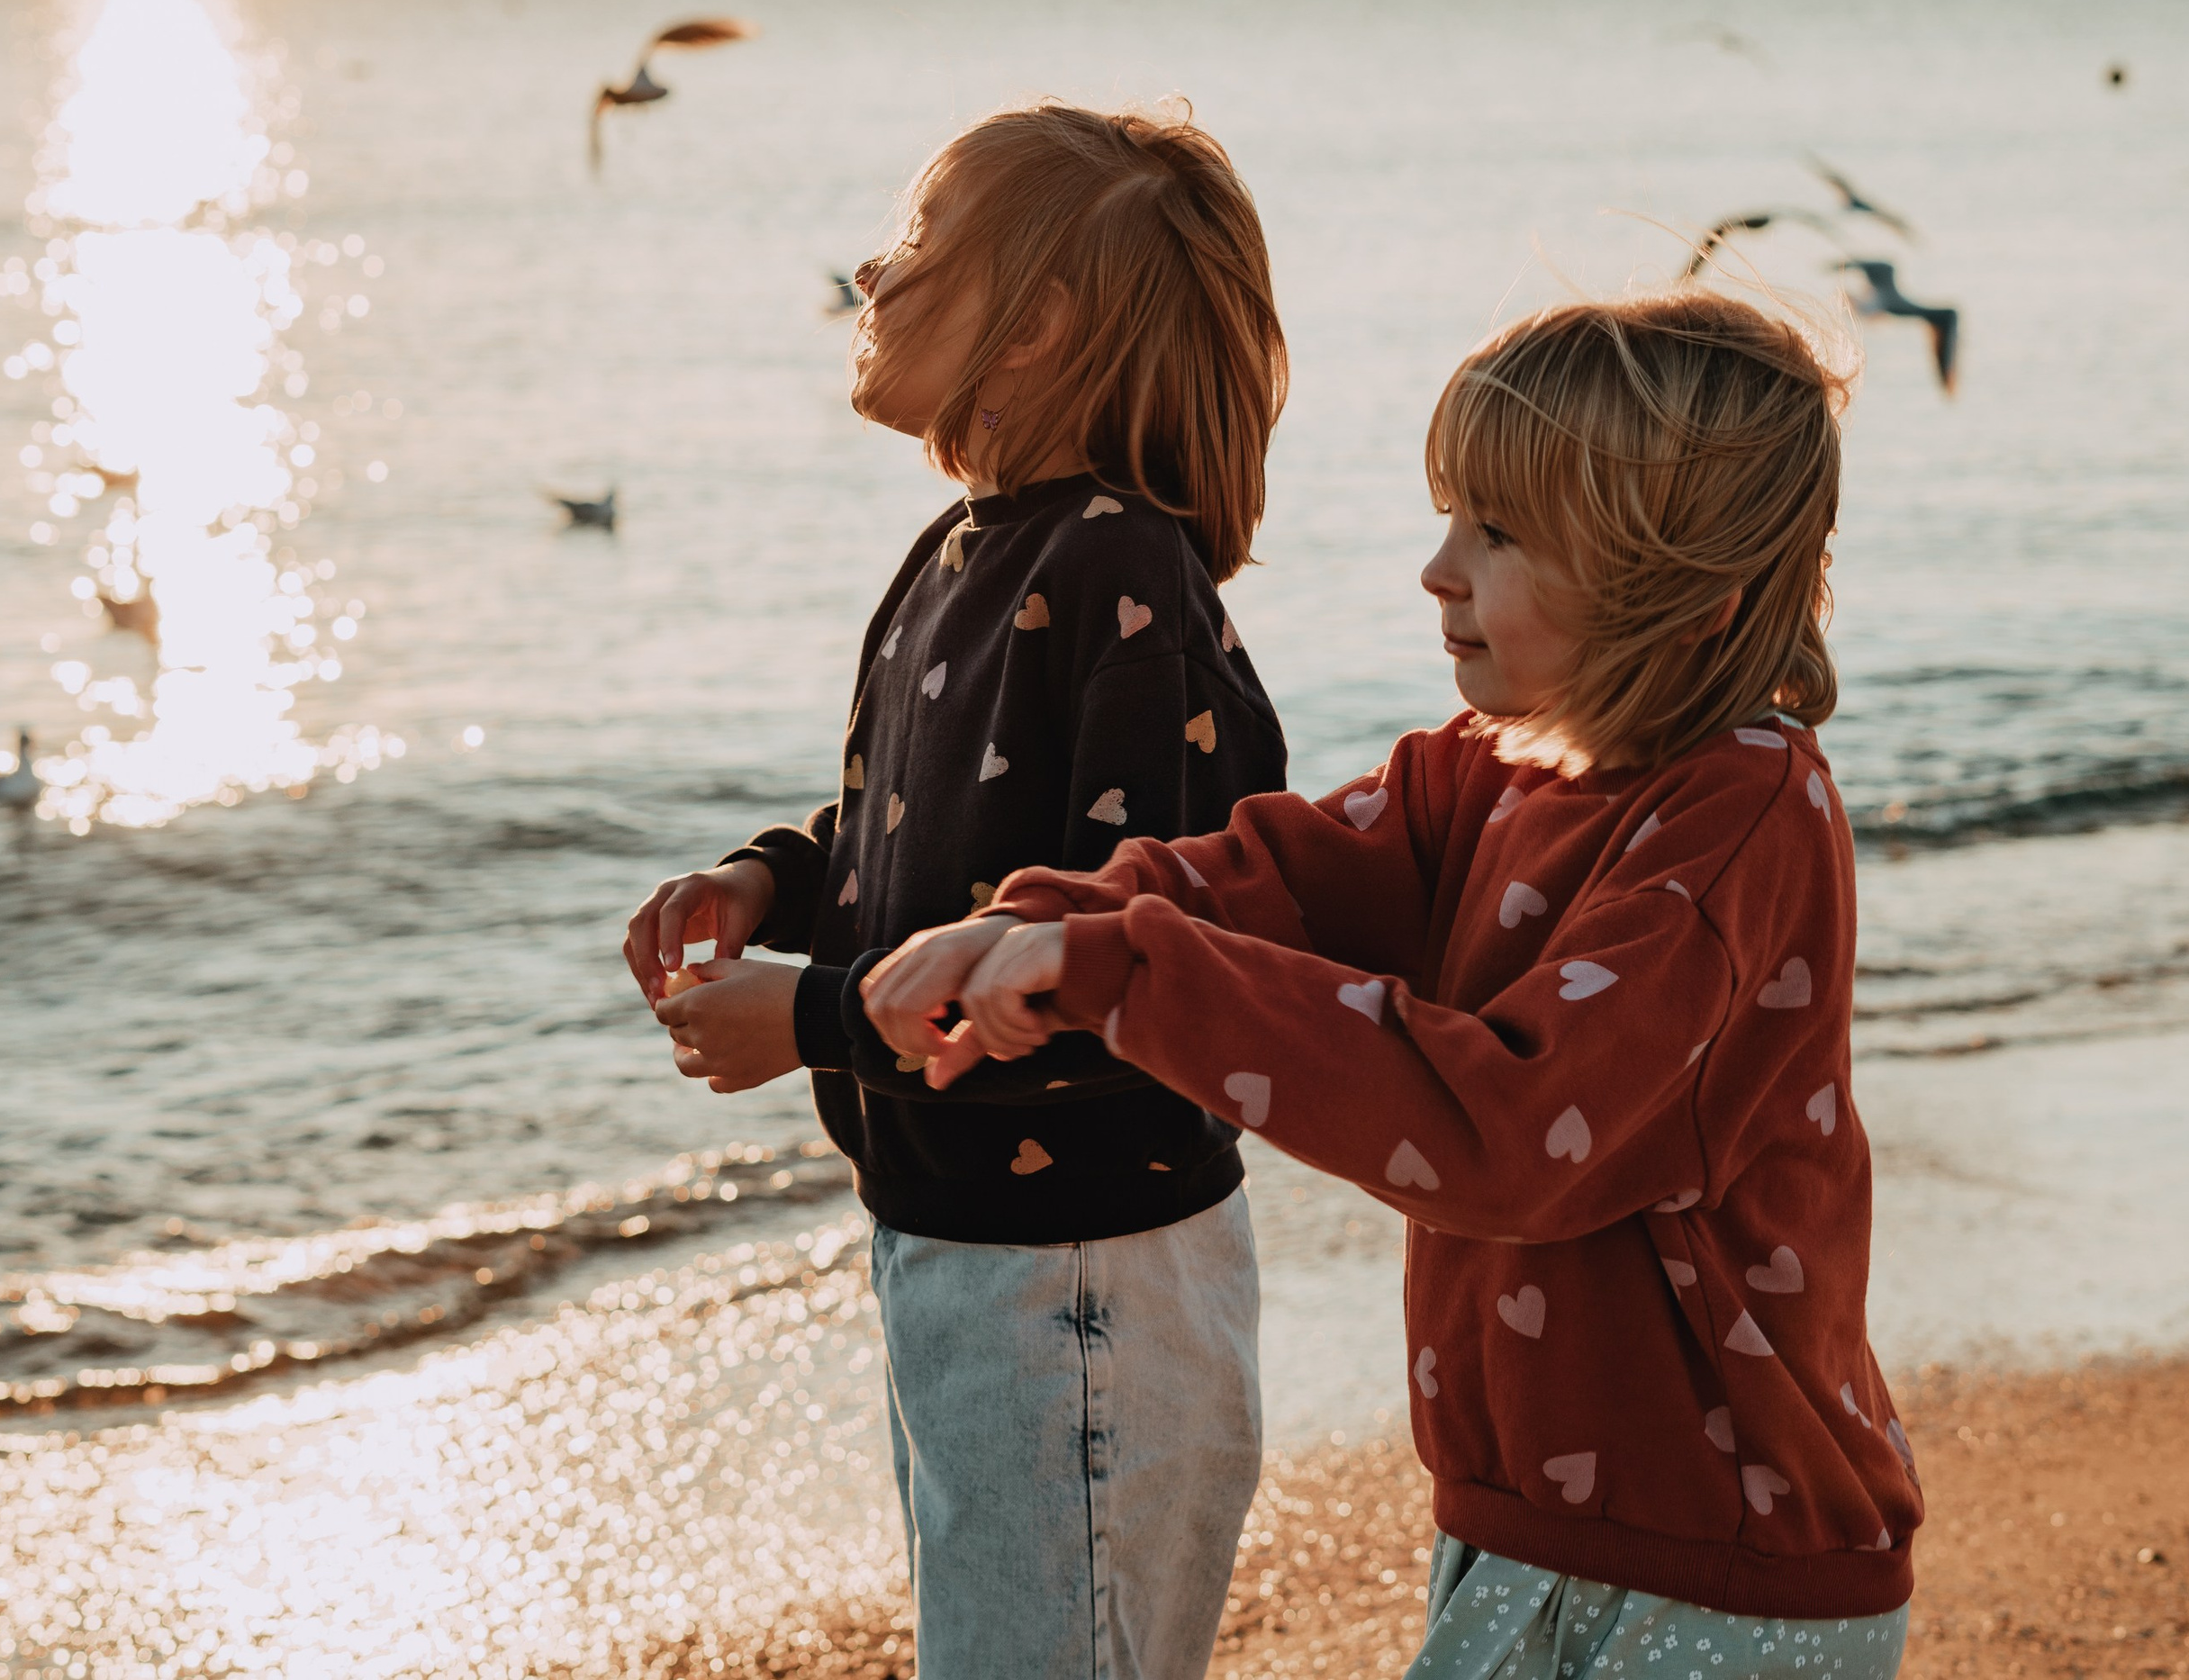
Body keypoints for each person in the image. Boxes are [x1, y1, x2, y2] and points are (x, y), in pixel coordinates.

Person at [866, 291, 1922, 1680]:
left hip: (1727, 1559)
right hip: (1526, 1524)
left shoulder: (1743, 819)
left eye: (1499, 535)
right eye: (1451, 519)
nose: (1438, 570)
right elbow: (1272, 880)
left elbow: (1507, 1130)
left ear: (1686, 593)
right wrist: (1052, 921)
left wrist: (1128, 970)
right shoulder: (1485, 771)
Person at [622, 104, 1292, 1680]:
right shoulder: (960, 555)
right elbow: (907, 844)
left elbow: (1115, 961)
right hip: (962, 1248)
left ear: (1041, 326)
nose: (875, 271)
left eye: (918, 248)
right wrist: (767, 880)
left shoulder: (1123, 569)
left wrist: (810, 1015)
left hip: (1085, 1275)